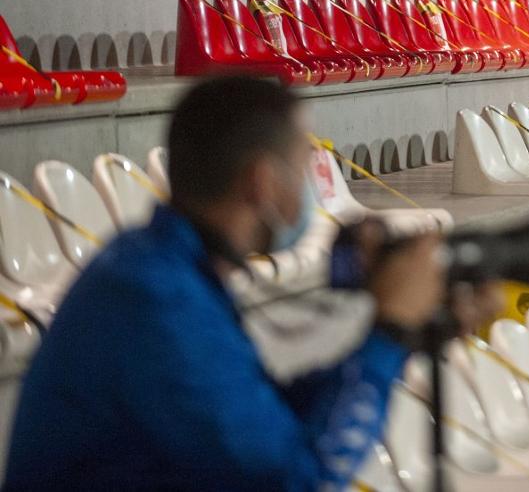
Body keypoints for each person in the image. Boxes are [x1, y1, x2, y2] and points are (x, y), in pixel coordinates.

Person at [5, 76, 494, 490]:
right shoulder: (154, 298)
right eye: (305, 162)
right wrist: (389, 333)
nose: (312, 182)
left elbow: (267, 415)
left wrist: (404, 334)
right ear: (261, 181)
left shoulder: (158, 267)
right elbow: (298, 477)